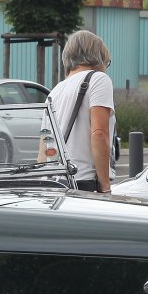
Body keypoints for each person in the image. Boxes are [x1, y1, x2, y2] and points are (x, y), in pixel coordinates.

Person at [48, 30, 114, 193]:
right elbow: (99, 133)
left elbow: (45, 143)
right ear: (98, 57)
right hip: (83, 181)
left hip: (54, 183)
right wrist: (105, 186)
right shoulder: (98, 79)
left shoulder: (55, 91)